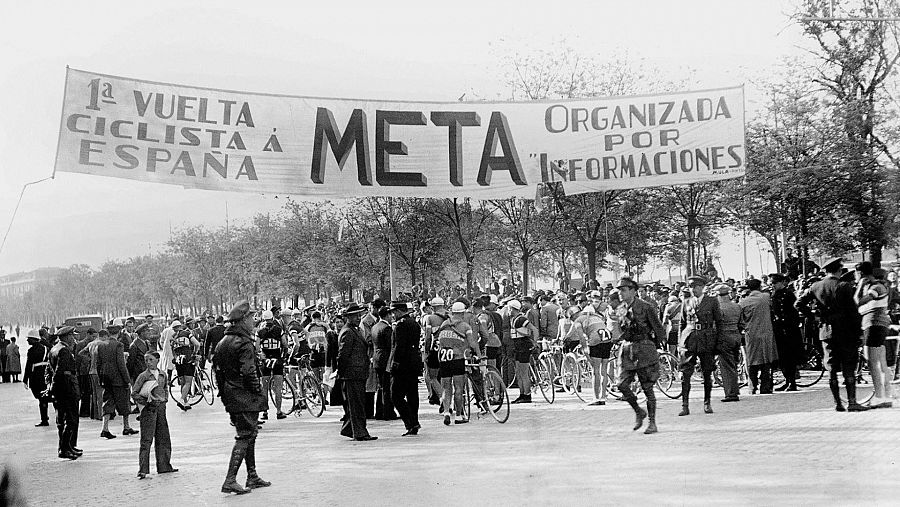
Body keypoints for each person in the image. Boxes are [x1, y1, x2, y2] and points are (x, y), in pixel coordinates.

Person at [796, 257, 869, 412]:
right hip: (846, 331)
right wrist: (859, 333)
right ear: (839, 270)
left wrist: (814, 317)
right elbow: (853, 312)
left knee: (831, 368)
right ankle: (852, 401)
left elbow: (798, 303)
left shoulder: (816, 286)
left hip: (826, 331)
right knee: (849, 366)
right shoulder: (844, 286)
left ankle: (837, 403)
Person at [213, 300, 271, 495]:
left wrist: (224, 396)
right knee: (245, 436)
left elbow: (218, 374)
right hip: (244, 395)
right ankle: (230, 479)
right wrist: (257, 391)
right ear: (243, 319)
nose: (253, 322)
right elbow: (248, 371)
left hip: (232, 394)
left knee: (249, 434)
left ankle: (252, 475)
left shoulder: (222, 342)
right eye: (251, 318)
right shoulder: (244, 342)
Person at [615, 277, 665, 434]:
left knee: (647, 387)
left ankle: (652, 422)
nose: (620, 293)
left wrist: (654, 347)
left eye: (623, 290)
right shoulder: (621, 308)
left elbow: (659, 330)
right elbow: (621, 329)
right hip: (628, 350)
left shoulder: (646, 307)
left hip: (644, 348)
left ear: (633, 290)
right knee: (621, 385)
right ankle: (638, 411)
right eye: (619, 290)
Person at [678, 275, 722, 416]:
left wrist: (718, 342)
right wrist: (680, 342)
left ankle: (707, 403)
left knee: (707, 373)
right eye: (690, 286)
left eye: (695, 287)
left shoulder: (712, 301)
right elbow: (682, 323)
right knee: (686, 374)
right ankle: (685, 405)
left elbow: (719, 322)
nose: (693, 289)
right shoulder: (686, 302)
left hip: (707, 339)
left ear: (702, 287)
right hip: (690, 339)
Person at [132, 351, 178, 479]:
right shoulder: (143, 376)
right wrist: (145, 402)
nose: (148, 362)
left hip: (161, 408)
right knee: (146, 439)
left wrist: (165, 398)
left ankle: (164, 466)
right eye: (146, 360)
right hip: (149, 409)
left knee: (163, 437)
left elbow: (165, 388)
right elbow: (134, 393)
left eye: (151, 359)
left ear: (157, 360)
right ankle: (142, 469)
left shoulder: (162, 374)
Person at [854, 263, 893, 408]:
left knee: (872, 363)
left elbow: (858, 302)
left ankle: (879, 397)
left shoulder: (876, 287)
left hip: (874, 325)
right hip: (876, 325)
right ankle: (886, 395)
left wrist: (859, 287)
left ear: (861, 274)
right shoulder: (878, 286)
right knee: (880, 362)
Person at [337, 303, 377, 441]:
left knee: (357, 403)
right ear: (348, 317)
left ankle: (349, 428)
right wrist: (341, 374)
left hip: (357, 372)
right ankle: (359, 432)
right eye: (355, 316)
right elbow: (343, 355)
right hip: (352, 373)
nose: (358, 318)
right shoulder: (348, 332)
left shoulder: (354, 330)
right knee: (356, 404)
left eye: (359, 315)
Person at [436, 302, 480, 424]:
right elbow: (472, 343)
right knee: (458, 388)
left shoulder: (444, 324)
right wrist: (476, 354)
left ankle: (446, 412)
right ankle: (459, 416)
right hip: (457, 358)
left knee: (446, 387)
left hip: (444, 358)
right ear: (463, 313)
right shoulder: (465, 326)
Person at [97, 321, 137, 438]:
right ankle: (126, 426)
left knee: (108, 402)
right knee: (124, 402)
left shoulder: (101, 345)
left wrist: (101, 379)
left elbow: (98, 363)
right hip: (118, 379)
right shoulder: (119, 345)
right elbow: (121, 364)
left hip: (106, 378)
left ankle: (105, 428)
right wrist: (127, 380)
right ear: (119, 332)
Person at [388, 302, 422, 436]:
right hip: (413, 362)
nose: (393, 315)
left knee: (395, 395)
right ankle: (414, 421)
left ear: (399, 311)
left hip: (403, 364)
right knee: (412, 394)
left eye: (394, 312)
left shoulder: (401, 325)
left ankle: (410, 421)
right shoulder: (413, 323)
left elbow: (399, 346)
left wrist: (395, 363)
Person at [567, 304, 611, 406]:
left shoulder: (578, 321)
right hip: (607, 339)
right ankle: (603, 396)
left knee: (595, 371)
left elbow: (582, 338)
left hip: (596, 340)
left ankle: (596, 398)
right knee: (603, 370)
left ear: (573, 316)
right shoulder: (596, 316)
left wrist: (587, 355)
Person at [49, 326, 82, 460]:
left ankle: (67, 447)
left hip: (60, 390)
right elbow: (60, 373)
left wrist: (52, 388)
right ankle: (64, 449)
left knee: (62, 420)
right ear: (67, 337)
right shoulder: (64, 351)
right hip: (66, 390)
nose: (74, 338)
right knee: (71, 420)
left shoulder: (54, 349)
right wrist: (61, 388)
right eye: (72, 336)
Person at [739, 278, 777, 395]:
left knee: (752, 361)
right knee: (766, 361)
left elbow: (741, 320)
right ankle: (765, 387)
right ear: (759, 287)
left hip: (751, 335)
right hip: (767, 333)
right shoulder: (765, 297)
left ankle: (752, 386)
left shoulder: (743, 302)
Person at [770, 273, 802, 392]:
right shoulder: (774, 294)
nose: (772, 285)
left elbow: (793, 311)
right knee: (782, 357)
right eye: (771, 283)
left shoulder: (788, 294)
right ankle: (787, 380)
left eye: (774, 283)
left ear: (781, 282)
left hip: (789, 329)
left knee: (790, 357)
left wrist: (789, 324)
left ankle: (792, 382)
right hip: (779, 329)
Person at [257, 313, 288, 420]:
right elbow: (285, 344)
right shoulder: (279, 330)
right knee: (278, 387)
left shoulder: (260, 332)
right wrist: (283, 355)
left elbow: (257, 348)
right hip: (277, 359)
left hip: (265, 361)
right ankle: (279, 411)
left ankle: (264, 412)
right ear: (272, 318)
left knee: (264, 387)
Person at [715, 284, 743, 402]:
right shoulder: (737, 306)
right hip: (736, 336)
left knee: (726, 366)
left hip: (724, 338)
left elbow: (716, 325)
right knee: (734, 365)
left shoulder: (718, 308)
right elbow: (741, 323)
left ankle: (731, 393)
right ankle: (735, 389)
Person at [509, 300, 538, 404]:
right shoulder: (515, 319)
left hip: (524, 347)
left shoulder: (521, 319)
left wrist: (534, 342)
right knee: (519, 372)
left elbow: (533, 329)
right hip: (518, 347)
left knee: (524, 373)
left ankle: (527, 395)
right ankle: (522, 394)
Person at [371, 306, 397, 420]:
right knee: (387, 387)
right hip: (385, 360)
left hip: (377, 359)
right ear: (386, 315)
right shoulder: (387, 328)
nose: (392, 316)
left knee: (381, 387)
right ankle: (388, 412)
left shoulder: (375, 327)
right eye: (390, 314)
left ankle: (379, 411)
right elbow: (390, 346)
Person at [22, 329, 50, 427]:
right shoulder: (46, 348)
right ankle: (46, 417)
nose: (27, 341)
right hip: (45, 375)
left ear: (34, 339)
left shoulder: (31, 351)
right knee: (44, 398)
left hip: (36, 376)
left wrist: (25, 379)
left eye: (29, 339)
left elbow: (28, 366)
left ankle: (44, 419)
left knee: (41, 398)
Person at [422, 298, 447, 408]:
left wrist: (426, 351)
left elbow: (428, 337)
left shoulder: (430, 318)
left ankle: (443, 399)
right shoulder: (450, 316)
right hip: (450, 348)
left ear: (432, 307)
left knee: (433, 377)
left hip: (436, 348)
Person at [171, 329, 201, 411]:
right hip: (187, 359)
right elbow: (197, 344)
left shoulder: (173, 336)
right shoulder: (187, 334)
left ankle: (185, 402)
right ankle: (181, 400)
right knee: (188, 382)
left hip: (178, 360)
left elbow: (172, 350)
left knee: (182, 382)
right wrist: (194, 352)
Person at [74, 328, 97, 417]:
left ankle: (91, 411)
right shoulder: (81, 344)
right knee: (85, 392)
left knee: (91, 391)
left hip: (91, 371)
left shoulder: (94, 344)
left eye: (95, 336)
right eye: (93, 336)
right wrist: (78, 371)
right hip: (83, 372)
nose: (94, 338)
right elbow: (78, 358)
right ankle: (84, 411)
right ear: (88, 334)